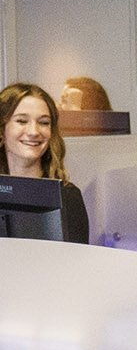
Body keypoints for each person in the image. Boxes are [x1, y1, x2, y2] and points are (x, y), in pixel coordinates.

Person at [0, 82, 87, 241]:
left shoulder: (67, 196)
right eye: (21, 121)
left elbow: (76, 263)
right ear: (2, 129)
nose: (33, 132)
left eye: (44, 123)